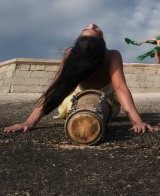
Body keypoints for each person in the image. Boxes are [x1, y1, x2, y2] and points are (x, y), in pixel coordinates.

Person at [4, 24, 152, 134]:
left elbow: (120, 88)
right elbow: (57, 85)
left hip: (108, 100)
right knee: (79, 110)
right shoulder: (71, 54)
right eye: (91, 29)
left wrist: (137, 121)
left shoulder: (112, 56)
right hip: (77, 97)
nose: (92, 24)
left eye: (90, 28)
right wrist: (29, 122)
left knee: (99, 109)